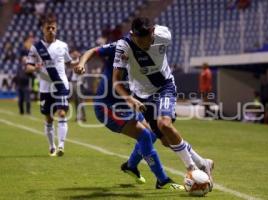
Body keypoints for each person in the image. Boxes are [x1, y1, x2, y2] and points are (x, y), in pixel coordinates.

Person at [112, 17, 214, 190]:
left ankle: (192, 169)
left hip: (164, 87)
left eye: (145, 39)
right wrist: (128, 98)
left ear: (152, 32)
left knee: (164, 124)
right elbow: (116, 80)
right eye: (138, 39)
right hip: (142, 96)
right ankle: (203, 163)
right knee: (167, 141)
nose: (142, 43)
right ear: (132, 35)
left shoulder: (164, 35)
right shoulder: (124, 46)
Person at [74, 43, 184, 190]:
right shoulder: (119, 47)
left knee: (152, 134)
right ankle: (162, 180)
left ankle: (131, 166)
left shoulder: (147, 55)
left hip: (127, 105)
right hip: (107, 106)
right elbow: (92, 50)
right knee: (144, 135)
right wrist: (82, 63)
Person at [26, 14, 78, 157]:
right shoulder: (36, 48)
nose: (50, 30)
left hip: (61, 85)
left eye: (53, 27)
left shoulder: (63, 46)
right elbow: (28, 67)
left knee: (62, 113)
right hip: (45, 88)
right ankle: (51, 146)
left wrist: (79, 63)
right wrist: (36, 67)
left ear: (56, 29)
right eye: (47, 27)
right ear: (43, 29)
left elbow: (69, 63)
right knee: (48, 118)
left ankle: (61, 145)